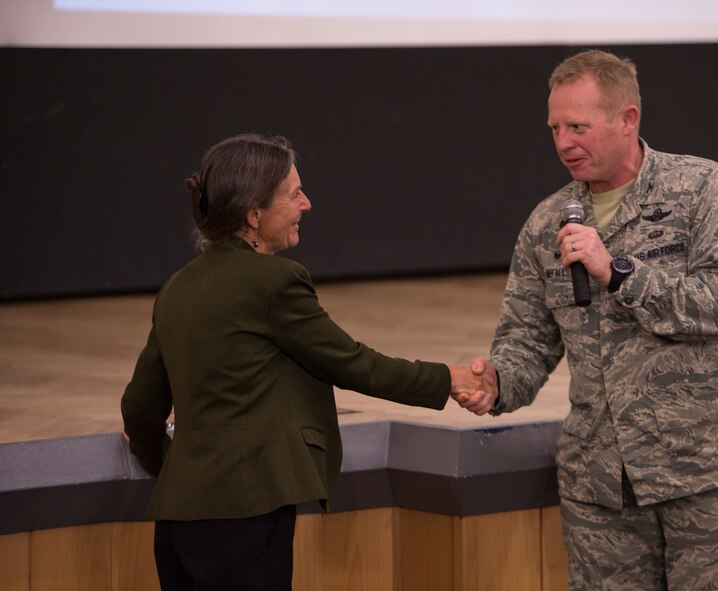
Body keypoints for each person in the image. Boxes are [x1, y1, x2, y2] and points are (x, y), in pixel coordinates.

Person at [468, 49, 718, 589]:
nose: (564, 142)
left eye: (579, 126)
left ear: (628, 119)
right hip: (604, 491)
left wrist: (617, 271)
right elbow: (528, 339)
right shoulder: (548, 221)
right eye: (554, 128)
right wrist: (497, 383)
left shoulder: (703, 189)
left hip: (708, 473)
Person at [120, 133, 495, 591]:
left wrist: (174, 465)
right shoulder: (275, 281)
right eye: (294, 194)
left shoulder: (177, 287)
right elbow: (352, 364)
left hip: (176, 523)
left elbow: (140, 406)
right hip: (247, 519)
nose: (307, 203)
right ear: (253, 214)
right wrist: (447, 378)